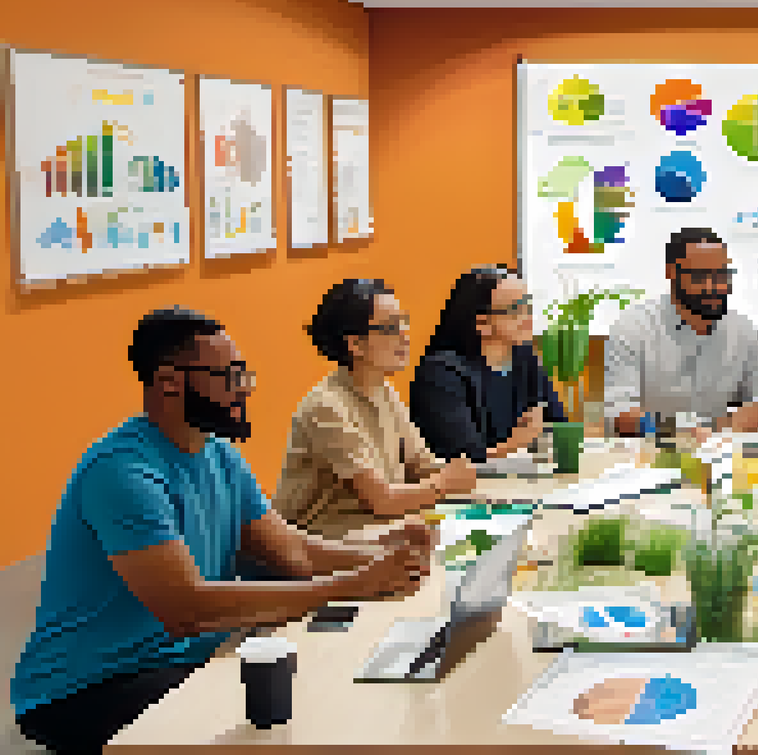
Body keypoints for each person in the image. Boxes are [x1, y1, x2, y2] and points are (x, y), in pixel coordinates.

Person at [12, 307, 434, 754]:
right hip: (89, 686)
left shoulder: (219, 455)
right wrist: (353, 583)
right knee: (283, 723)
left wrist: (386, 558)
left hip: (188, 659)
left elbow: (293, 553)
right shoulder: (123, 472)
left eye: (244, 375)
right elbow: (188, 609)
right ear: (170, 381)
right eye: (229, 377)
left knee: (318, 693)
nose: (244, 391)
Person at [276, 280, 479, 540]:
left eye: (404, 322)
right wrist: (444, 484)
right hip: (325, 541)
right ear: (356, 345)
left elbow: (422, 465)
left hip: (379, 528)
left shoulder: (385, 391)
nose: (405, 335)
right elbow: (382, 501)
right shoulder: (326, 406)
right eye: (391, 328)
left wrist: (458, 473)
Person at [606, 227, 758, 436]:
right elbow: (618, 413)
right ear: (671, 273)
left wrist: (724, 433)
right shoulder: (632, 328)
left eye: (721, 275)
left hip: (717, 453)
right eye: (699, 276)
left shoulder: (742, 329)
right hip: (652, 451)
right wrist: (676, 431)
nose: (712, 286)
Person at [412, 265, 566, 463]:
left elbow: (559, 427)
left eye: (528, 307)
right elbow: (463, 458)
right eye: (515, 310)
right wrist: (516, 444)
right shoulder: (440, 374)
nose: (528, 319)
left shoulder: (526, 359)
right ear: (482, 323)